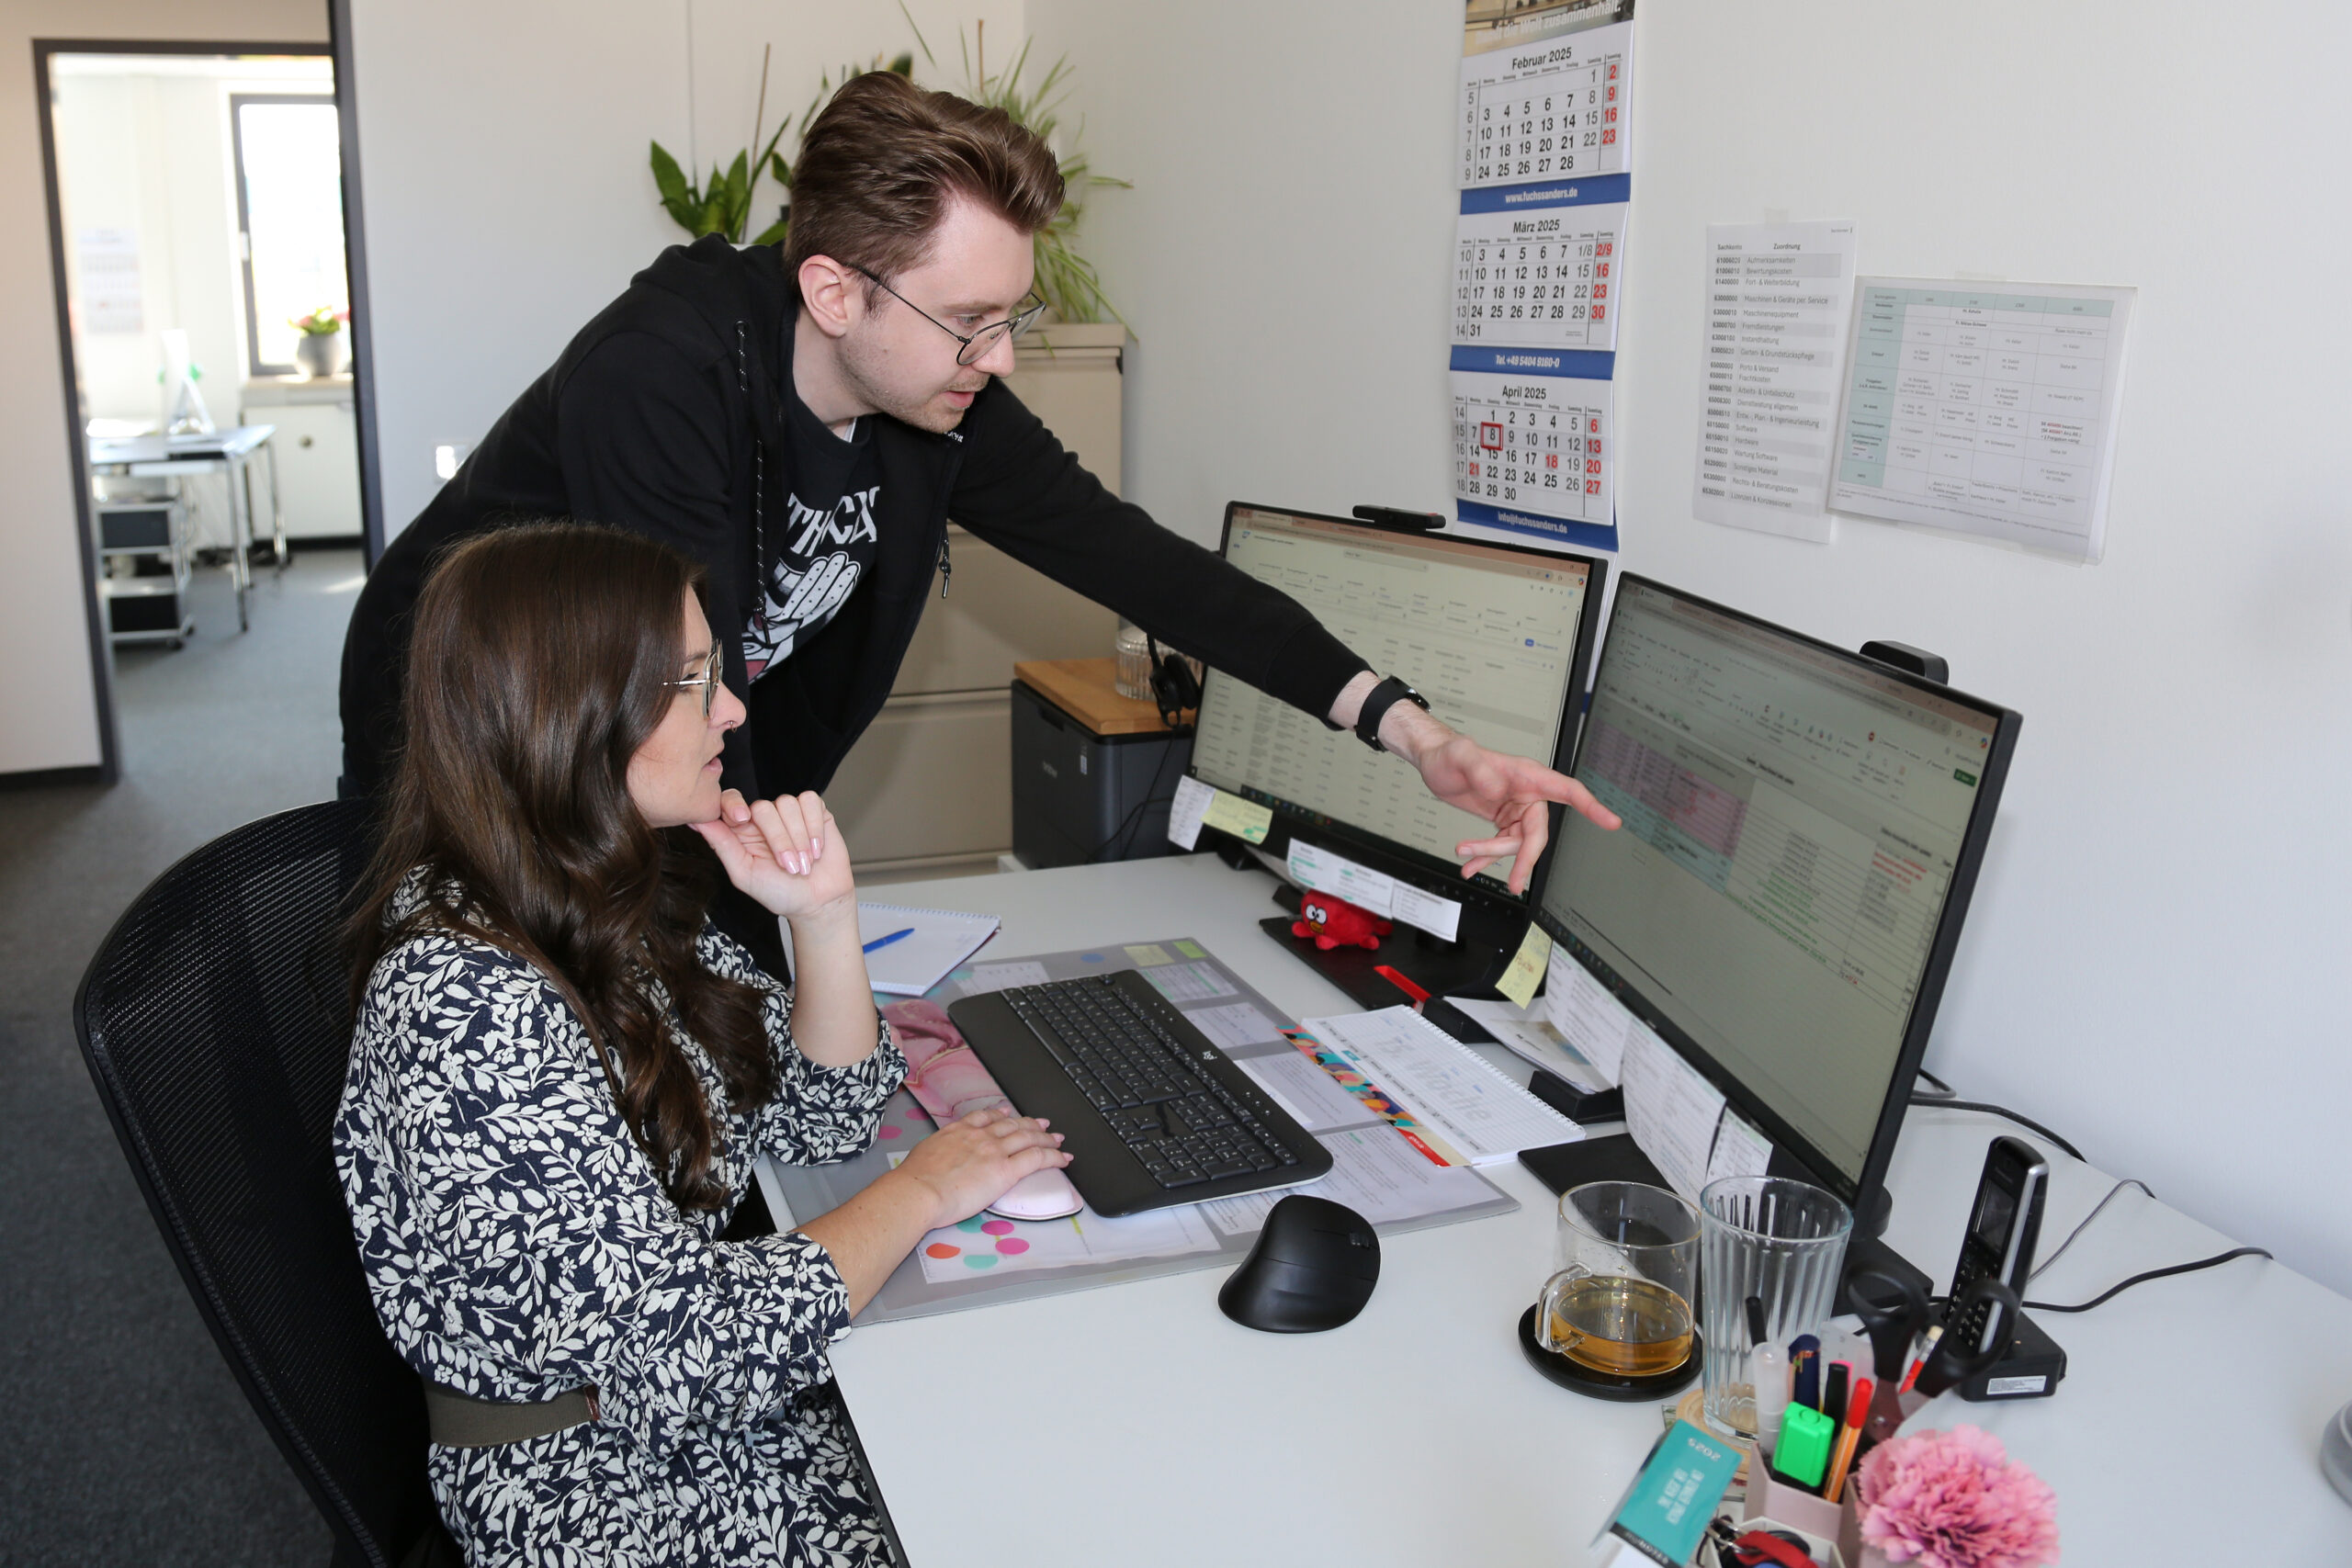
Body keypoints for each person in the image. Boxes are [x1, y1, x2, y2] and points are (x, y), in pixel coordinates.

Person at [339, 71, 1618, 973]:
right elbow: (672, 710)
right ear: (833, 292)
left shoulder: (932, 395)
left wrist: (1410, 730)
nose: (999, 359)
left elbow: (1143, 564)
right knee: (505, 1039)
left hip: (675, 756)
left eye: (1012, 318)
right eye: (969, 322)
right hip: (471, 723)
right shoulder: (661, 375)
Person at [337, 522, 1067, 1565]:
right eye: (690, 682)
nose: (731, 708)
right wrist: (922, 1190)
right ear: (570, 716)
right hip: (597, 1481)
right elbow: (685, 1353)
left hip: (694, 1406)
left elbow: (822, 1117)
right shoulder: (466, 1003)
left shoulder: (598, 891)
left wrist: (822, 917)